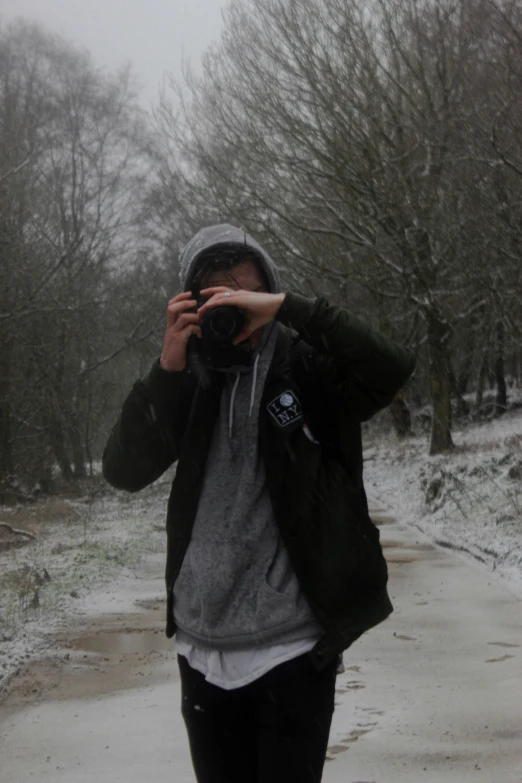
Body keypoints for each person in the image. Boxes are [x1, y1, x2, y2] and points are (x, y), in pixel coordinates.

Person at [102, 224, 416, 783]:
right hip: (201, 650)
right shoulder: (189, 381)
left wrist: (289, 309)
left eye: (242, 297)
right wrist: (166, 368)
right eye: (215, 300)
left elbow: (391, 367)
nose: (232, 316)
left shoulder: (308, 367)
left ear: (267, 293)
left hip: (291, 650)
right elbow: (121, 470)